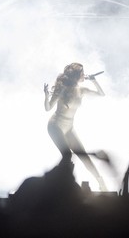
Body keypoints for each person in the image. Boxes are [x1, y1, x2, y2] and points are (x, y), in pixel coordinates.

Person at [44, 62, 107, 191]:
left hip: (69, 127)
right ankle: (59, 184)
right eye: (82, 73)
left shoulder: (81, 90)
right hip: (55, 125)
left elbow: (101, 94)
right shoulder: (62, 89)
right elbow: (48, 108)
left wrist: (94, 81)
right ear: (76, 76)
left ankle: (101, 183)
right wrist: (46, 96)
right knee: (67, 156)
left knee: (83, 155)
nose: (84, 75)